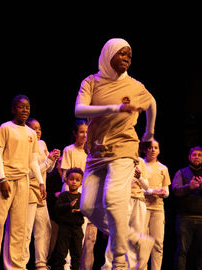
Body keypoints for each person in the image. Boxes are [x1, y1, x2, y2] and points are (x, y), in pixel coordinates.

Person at [75, 38, 157, 269]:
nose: (127, 58)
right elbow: (79, 109)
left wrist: (149, 132)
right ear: (108, 54)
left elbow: (151, 103)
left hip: (124, 147)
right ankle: (134, 239)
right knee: (88, 207)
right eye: (122, 53)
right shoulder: (91, 81)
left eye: (129, 55)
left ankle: (119, 262)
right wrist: (115, 108)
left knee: (113, 199)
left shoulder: (136, 86)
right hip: (97, 151)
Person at [0, 95, 45, 270]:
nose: (25, 110)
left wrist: (40, 183)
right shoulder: (5, 128)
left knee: (19, 226)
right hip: (5, 179)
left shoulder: (31, 134)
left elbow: (32, 162)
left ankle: (15, 265)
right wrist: (2, 179)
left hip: (23, 180)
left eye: (27, 107)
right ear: (13, 109)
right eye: (21, 107)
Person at [61, 119, 98, 270]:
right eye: (81, 132)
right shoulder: (69, 150)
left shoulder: (89, 153)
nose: (84, 135)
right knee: (67, 230)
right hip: (71, 192)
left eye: (86, 132)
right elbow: (65, 174)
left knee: (80, 232)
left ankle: (75, 265)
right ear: (75, 133)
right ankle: (66, 264)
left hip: (85, 194)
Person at [101, 157, 150, 270]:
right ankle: (108, 265)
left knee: (136, 232)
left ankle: (132, 267)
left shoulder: (140, 162)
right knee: (116, 231)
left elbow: (146, 186)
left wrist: (140, 178)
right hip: (122, 199)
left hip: (138, 200)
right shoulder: (118, 158)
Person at [24, 117, 60, 270]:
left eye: (39, 129)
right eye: (34, 128)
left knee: (44, 227)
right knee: (26, 229)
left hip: (41, 192)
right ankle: (21, 262)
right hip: (28, 189)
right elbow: (31, 171)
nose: (37, 131)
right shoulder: (26, 144)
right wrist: (47, 162)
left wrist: (52, 159)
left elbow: (48, 170)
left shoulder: (42, 144)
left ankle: (40, 263)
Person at [142, 139, 171, 270]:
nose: (153, 150)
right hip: (142, 208)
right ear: (145, 149)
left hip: (158, 209)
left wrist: (162, 192)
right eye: (150, 147)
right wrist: (153, 191)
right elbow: (136, 188)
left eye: (155, 147)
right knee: (142, 242)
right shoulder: (140, 165)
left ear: (159, 150)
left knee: (158, 243)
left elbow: (166, 192)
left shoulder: (163, 168)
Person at [172, 146, 202, 270]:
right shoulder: (181, 172)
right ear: (189, 157)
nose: (197, 157)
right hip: (185, 218)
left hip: (201, 218)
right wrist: (189, 187)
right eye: (194, 155)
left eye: (200, 155)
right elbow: (175, 191)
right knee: (182, 252)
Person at [52, 167, 84, 270]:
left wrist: (80, 211)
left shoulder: (82, 197)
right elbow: (57, 208)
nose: (74, 182)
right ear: (66, 180)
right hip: (64, 228)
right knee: (61, 253)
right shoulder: (63, 195)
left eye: (77, 180)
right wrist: (68, 205)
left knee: (77, 254)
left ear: (81, 182)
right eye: (71, 179)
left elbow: (86, 210)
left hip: (77, 229)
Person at [46, 156, 63, 261]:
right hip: (52, 215)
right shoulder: (53, 176)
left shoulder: (67, 177)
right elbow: (48, 195)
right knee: (50, 243)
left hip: (62, 217)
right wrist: (56, 195)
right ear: (57, 165)